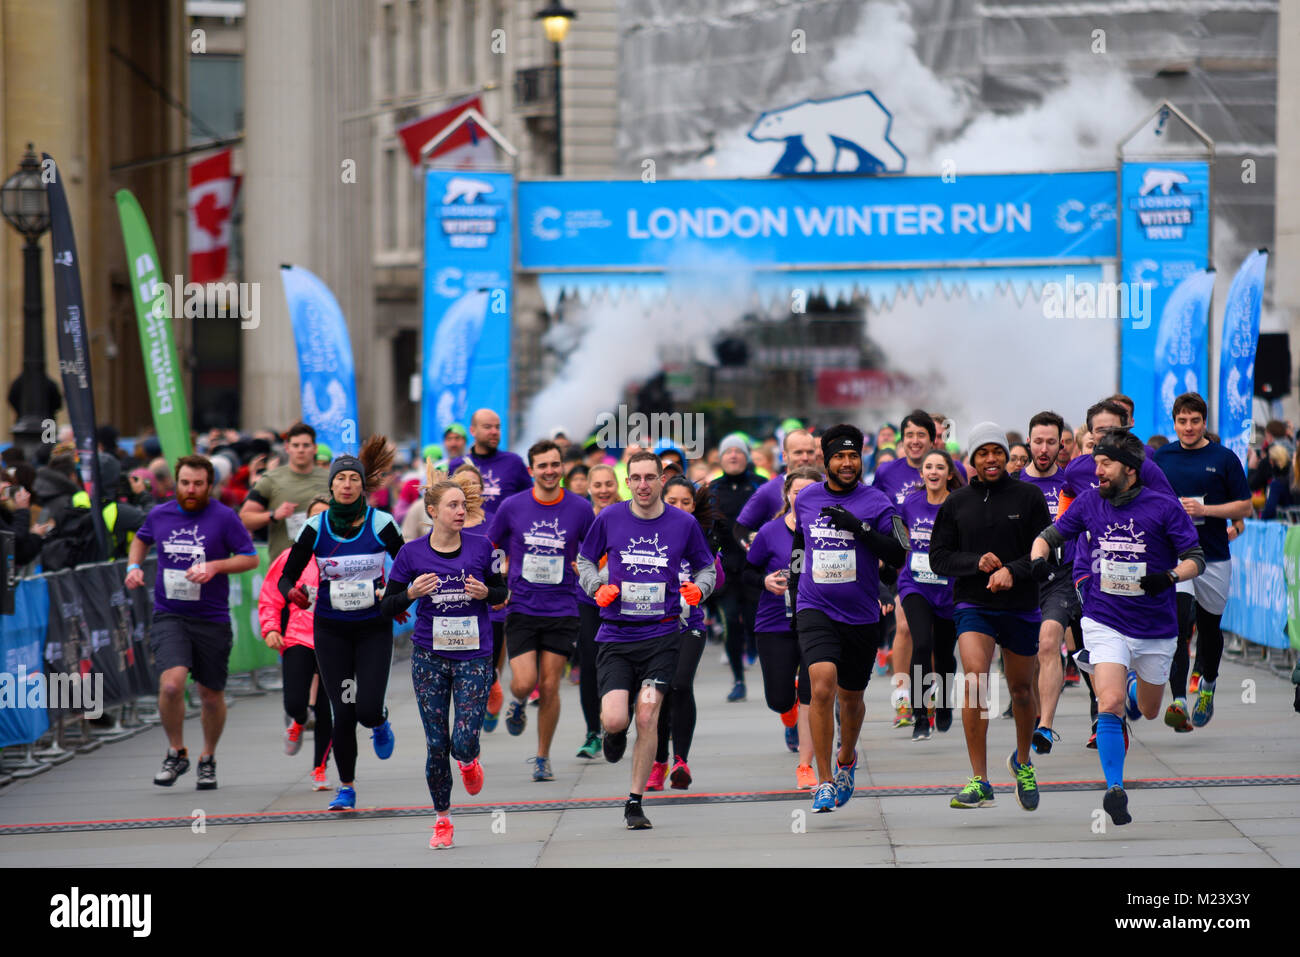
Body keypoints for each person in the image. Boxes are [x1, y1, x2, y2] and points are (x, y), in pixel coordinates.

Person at [1032, 430, 1204, 824]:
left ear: (1130, 468)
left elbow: (1196, 557)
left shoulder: (1163, 507)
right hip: (1104, 617)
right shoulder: (1091, 501)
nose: (1097, 470)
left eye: (1105, 463)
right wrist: (1040, 559)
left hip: (1155, 625)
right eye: (1095, 462)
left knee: (1147, 708)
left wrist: (1170, 577)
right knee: (1107, 704)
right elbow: (1050, 535)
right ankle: (1115, 788)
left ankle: (1132, 689)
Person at [576, 451, 716, 830]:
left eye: (649, 477)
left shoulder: (683, 523)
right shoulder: (609, 518)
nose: (642, 485)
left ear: (660, 481)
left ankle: (634, 802)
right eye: (635, 477)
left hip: (662, 635)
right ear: (627, 481)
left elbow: (706, 567)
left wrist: (698, 590)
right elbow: (585, 560)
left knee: (648, 713)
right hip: (617, 636)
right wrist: (595, 588)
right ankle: (612, 732)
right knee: (618, 717)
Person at [381, 469, 508, 848]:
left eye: (463, 505)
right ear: (432, 511)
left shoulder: (482, 546)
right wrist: (410, 594)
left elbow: (502, 591)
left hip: (473, 655)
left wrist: (487, 592)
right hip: (430, 657)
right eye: (451, 505)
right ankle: (442, 819)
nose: (459, 511)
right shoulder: (411, 553)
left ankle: (469, 761)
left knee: (463, 741)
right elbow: (387, 605)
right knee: (436, 743)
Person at [929, 423, 1052, 812]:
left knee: (1019, 690)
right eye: (982, 453)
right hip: (973, 605)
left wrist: (1012, 571)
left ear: (1007, 455)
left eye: (996, 452)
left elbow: (1045, 550)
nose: (991, 459)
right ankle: (979, 779)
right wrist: (975, 563)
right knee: (975, 681)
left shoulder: (1029, 496)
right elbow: (939, 556)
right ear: (971, 460)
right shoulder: (956, 502)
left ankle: (1023, 763)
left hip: (1020, 605)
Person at [277, 437, 404, 810]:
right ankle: (346, 787)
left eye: (353, 479)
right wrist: (293, 593)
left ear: (363, 486)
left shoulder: (381, 523)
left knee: (365, 709)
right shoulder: (314, 528)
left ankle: (379, 721)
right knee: (342, 712)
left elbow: (409, 567)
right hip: (331, 630)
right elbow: (287, 577)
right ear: (330, 485)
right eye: (340, 479)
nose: (347, 485)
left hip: (372, 629)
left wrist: (393, 595)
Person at [790, 424, 905, 813]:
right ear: (825, 459)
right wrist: (792, 597)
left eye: (852, 456)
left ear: (860, 460)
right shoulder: (806, 499)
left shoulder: (877, 501)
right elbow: (799, 549)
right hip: (815, 606)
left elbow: (898, 553)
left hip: (860, 615)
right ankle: (823, 781)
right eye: (838, 456)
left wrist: (859, 528)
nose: (846, 463)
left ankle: (846, 757)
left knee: (851, 699)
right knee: (821, 686)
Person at [126, 455, 260, 789]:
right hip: (170, 614)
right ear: (176, 483)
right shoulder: (160, 514)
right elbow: (141, 538)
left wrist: (215, 566)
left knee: (210, 694)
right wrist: (133, 566)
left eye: (198, 484)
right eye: (185, 483)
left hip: (211, 618)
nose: (191, 490)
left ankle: (208, 757)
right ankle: (176, 751)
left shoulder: (224, 517)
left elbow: (250, 557)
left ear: (209, 485)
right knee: (171, 684)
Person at [486, 440, 595, 781]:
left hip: (563, 608)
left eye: (555, 464)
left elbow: (594, 552)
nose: (549, 471)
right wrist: (497, 584)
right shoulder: (512, 506)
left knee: (549, 686)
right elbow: (490, 546)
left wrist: (587, 570)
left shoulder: (580, 508)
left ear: (562, 467)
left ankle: (542, 756)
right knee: (525, 682)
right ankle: (517, 702)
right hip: (522, 607)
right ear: (531, 471)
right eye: (542, 466)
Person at [1152, 393, 1252, 731]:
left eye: (1195, 421)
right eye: (1182, 421)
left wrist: (1204, 510)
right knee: (1179, 625)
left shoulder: (1223, 458)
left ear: (1204, 422)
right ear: (1174, 421)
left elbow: (1244, 507)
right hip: (1176, 554)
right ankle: (1178, 700)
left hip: (1213, 554)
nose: (1189, 427)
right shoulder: (1163, 457)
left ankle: (1207, 684)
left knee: (1209, 630)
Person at [746, 466, 822, 787]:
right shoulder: (769, 532)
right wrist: (764, 581)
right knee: (779, 699)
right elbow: (746, 575)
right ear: (787, 495)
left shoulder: (828, 531)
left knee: (810, 695)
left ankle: (805, 766)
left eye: (809, 492)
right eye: (796, 492)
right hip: (774, 623)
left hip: (817, 622)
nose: (802, 497)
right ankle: (787, 713)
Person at [648, 475, 724, 791]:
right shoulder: (647, 531)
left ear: (695, 506)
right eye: (673, 501)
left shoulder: (702, 535)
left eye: (686, 502)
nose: (679, 507)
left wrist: (701, 583)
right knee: (658, 693)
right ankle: (658, 760)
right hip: (653, 626)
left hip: (689, 624)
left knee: (680, 684)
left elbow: (718, 580)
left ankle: (680, 761)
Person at [259, 495, 334, 791]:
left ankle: (320, 768)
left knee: (328, 708)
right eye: (313, 519)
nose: (320, 525)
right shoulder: (291, 557)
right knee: (295, 702)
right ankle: (299, 720)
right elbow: (270, 596)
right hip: (298, 637)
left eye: (326, 518)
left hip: (334, 638)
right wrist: (270, 628)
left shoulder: (346, 557)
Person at [1016, 411, 1078, 755]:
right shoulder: (1013, 484)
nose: (1043, 448)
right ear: (1028, 441)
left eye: (1051, 442)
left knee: (1049, 643)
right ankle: (1035, 712)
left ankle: (1045, 725)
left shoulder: (1072, 484)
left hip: (1061, 578)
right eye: (1038, 441)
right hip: (1023, 580)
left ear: (1061, 445)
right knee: (1030, 658)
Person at [898, 450, 961, 740]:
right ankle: (920, 714)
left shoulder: (959, 504)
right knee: (922, 643)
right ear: (922, 473)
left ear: (949, 474)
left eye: (939, 467)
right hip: (915, 584)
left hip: (948, 587)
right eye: (928, 467)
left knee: (944, 653)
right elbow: (900, 536)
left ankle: (945, 701)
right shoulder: (911, 502)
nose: (933, 471)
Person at [708, 433, 765, 701]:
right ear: (720, 458)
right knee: (731, 620)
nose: (733, 455)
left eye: (738, 451)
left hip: (756, 566)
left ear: (747, 456)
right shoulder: (713, 490)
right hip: (727, 568)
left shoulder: (761, 486)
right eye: (727, 451)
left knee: (755, 621)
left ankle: (766, 665)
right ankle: (738, 679)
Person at [572, 464, 621, 758]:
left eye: (608, 484)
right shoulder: (580, 517)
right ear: (589, 487)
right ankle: (593, 731)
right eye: (597, 485)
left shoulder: (627, 513)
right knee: (590, 663)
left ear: (617, 485)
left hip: (623, 601)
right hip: (588, 599)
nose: (603, 490)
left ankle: (617, 721)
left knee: (621, 663)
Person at [240, 422, 330, 560]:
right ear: (287, 448)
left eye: (306, 445)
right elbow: (244, 518)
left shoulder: (331, 479)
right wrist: (273, 515)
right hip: (284, 567)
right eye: (295, 445)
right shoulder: (270, 479)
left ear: (315, 448)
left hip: (323, 564)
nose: (301, 450)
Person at [447, 409, 532, 519]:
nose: (494, 432)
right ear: (472, 431)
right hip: (467, 534)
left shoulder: (514, 462)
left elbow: (529, 503)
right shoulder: (456, 465)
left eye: (497, 427)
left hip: (503, 535)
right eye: (487, 427)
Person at [735, 428, 818, 536]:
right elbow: (740, 530)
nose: (805, 457)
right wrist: (758, 550)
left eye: (810, 452)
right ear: (784, 456)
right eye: (798, 452)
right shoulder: (768, 491)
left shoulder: (828, 485)